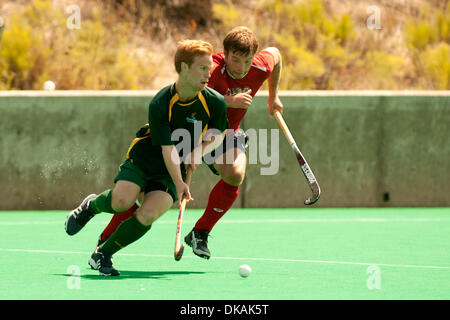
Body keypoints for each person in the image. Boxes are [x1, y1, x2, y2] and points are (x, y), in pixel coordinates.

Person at [91, 26, 283, 260]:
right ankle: (106, 238)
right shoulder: (207, 68)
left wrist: (273, 96)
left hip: (222, 132)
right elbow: (190, 94)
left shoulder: (260, 65)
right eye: (235, 60)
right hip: (186, 132)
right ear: (225, 54)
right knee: (140, 192)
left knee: (235, 173)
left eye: (247, 61)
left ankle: (200, 232)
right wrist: (230, 101)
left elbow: (276, 55)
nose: (241, 68)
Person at [64, 39, 229, 276]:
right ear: (184, 67)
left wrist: (198, 151)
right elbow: (167, 148)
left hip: (173, 168)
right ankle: (91, 206)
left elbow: (219, 132)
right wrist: (181, 183)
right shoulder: (161, 102)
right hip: (146, 159)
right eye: (202, 68)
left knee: (150, 213)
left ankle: (103, 254)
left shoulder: (215, 101)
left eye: (209, 67)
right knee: (122, 202)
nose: (209, 73)